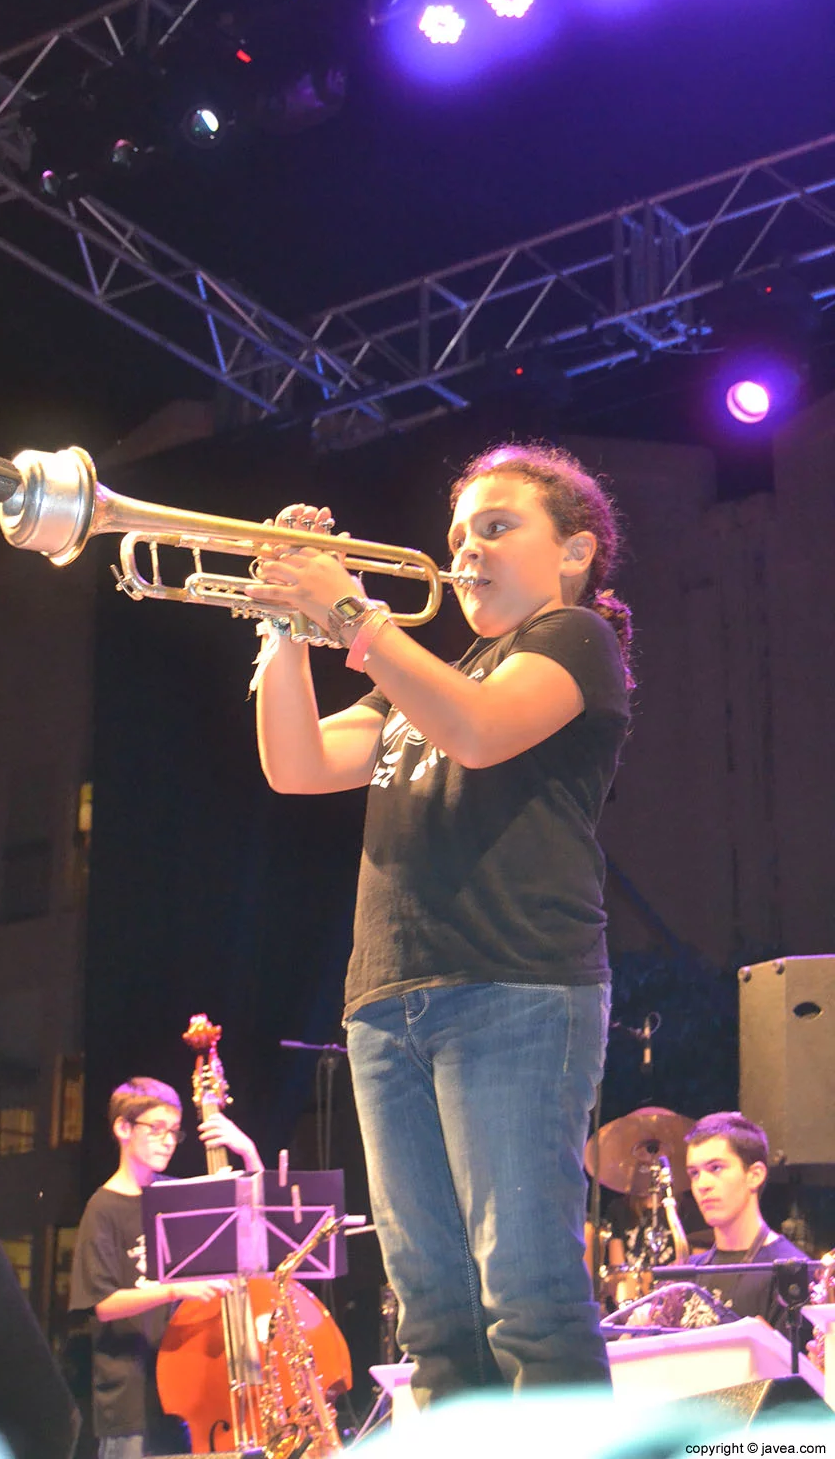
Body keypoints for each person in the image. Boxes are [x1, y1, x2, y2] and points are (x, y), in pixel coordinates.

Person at [246, 442, 633, 1401]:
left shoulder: (575, 639)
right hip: (385, 1004)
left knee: (530, 1303)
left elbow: (480, 729)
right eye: (458, 532)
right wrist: (284, 629)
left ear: (576, 553)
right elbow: (295, 764)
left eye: (498, 528)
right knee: (434, 1319)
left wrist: (349, 610)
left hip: (516, 988)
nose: (466, 550)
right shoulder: (423, 674)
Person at [69, 1076, 264, 1459]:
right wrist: (175, 1289)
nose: (167, 1140)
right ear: (123, 1128)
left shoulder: (177, 1196)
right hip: (130, 1399)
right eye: (156, 1129)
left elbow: (254, 1227)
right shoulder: (102, 1208)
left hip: (185, 1388)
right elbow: (102, 1303)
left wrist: (248, 1153)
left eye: (174, 1131)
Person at [684, 1111, 809, 1336]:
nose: (702, 1184)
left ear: (755, 1175)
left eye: (715, 1168)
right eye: (694, 1173)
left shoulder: (791, 1274)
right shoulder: (688, 1271)